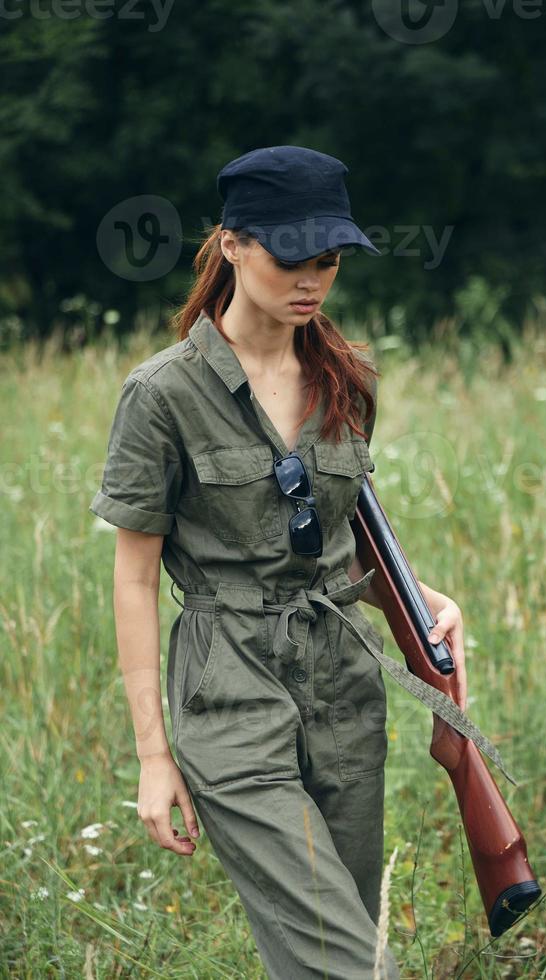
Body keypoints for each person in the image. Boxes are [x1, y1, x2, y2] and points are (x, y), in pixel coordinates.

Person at [89, 145, 469, 979]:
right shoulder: (162, 394)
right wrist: (155, 758)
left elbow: (341, 542)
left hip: (344, 681)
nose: (311, 280)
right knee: (347, 960)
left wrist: (427, 600)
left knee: (337, 939)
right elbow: (133, 577)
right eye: (290, 257)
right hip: (229, 690)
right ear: (231, 246)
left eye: (327, 261)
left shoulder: (347, 379)